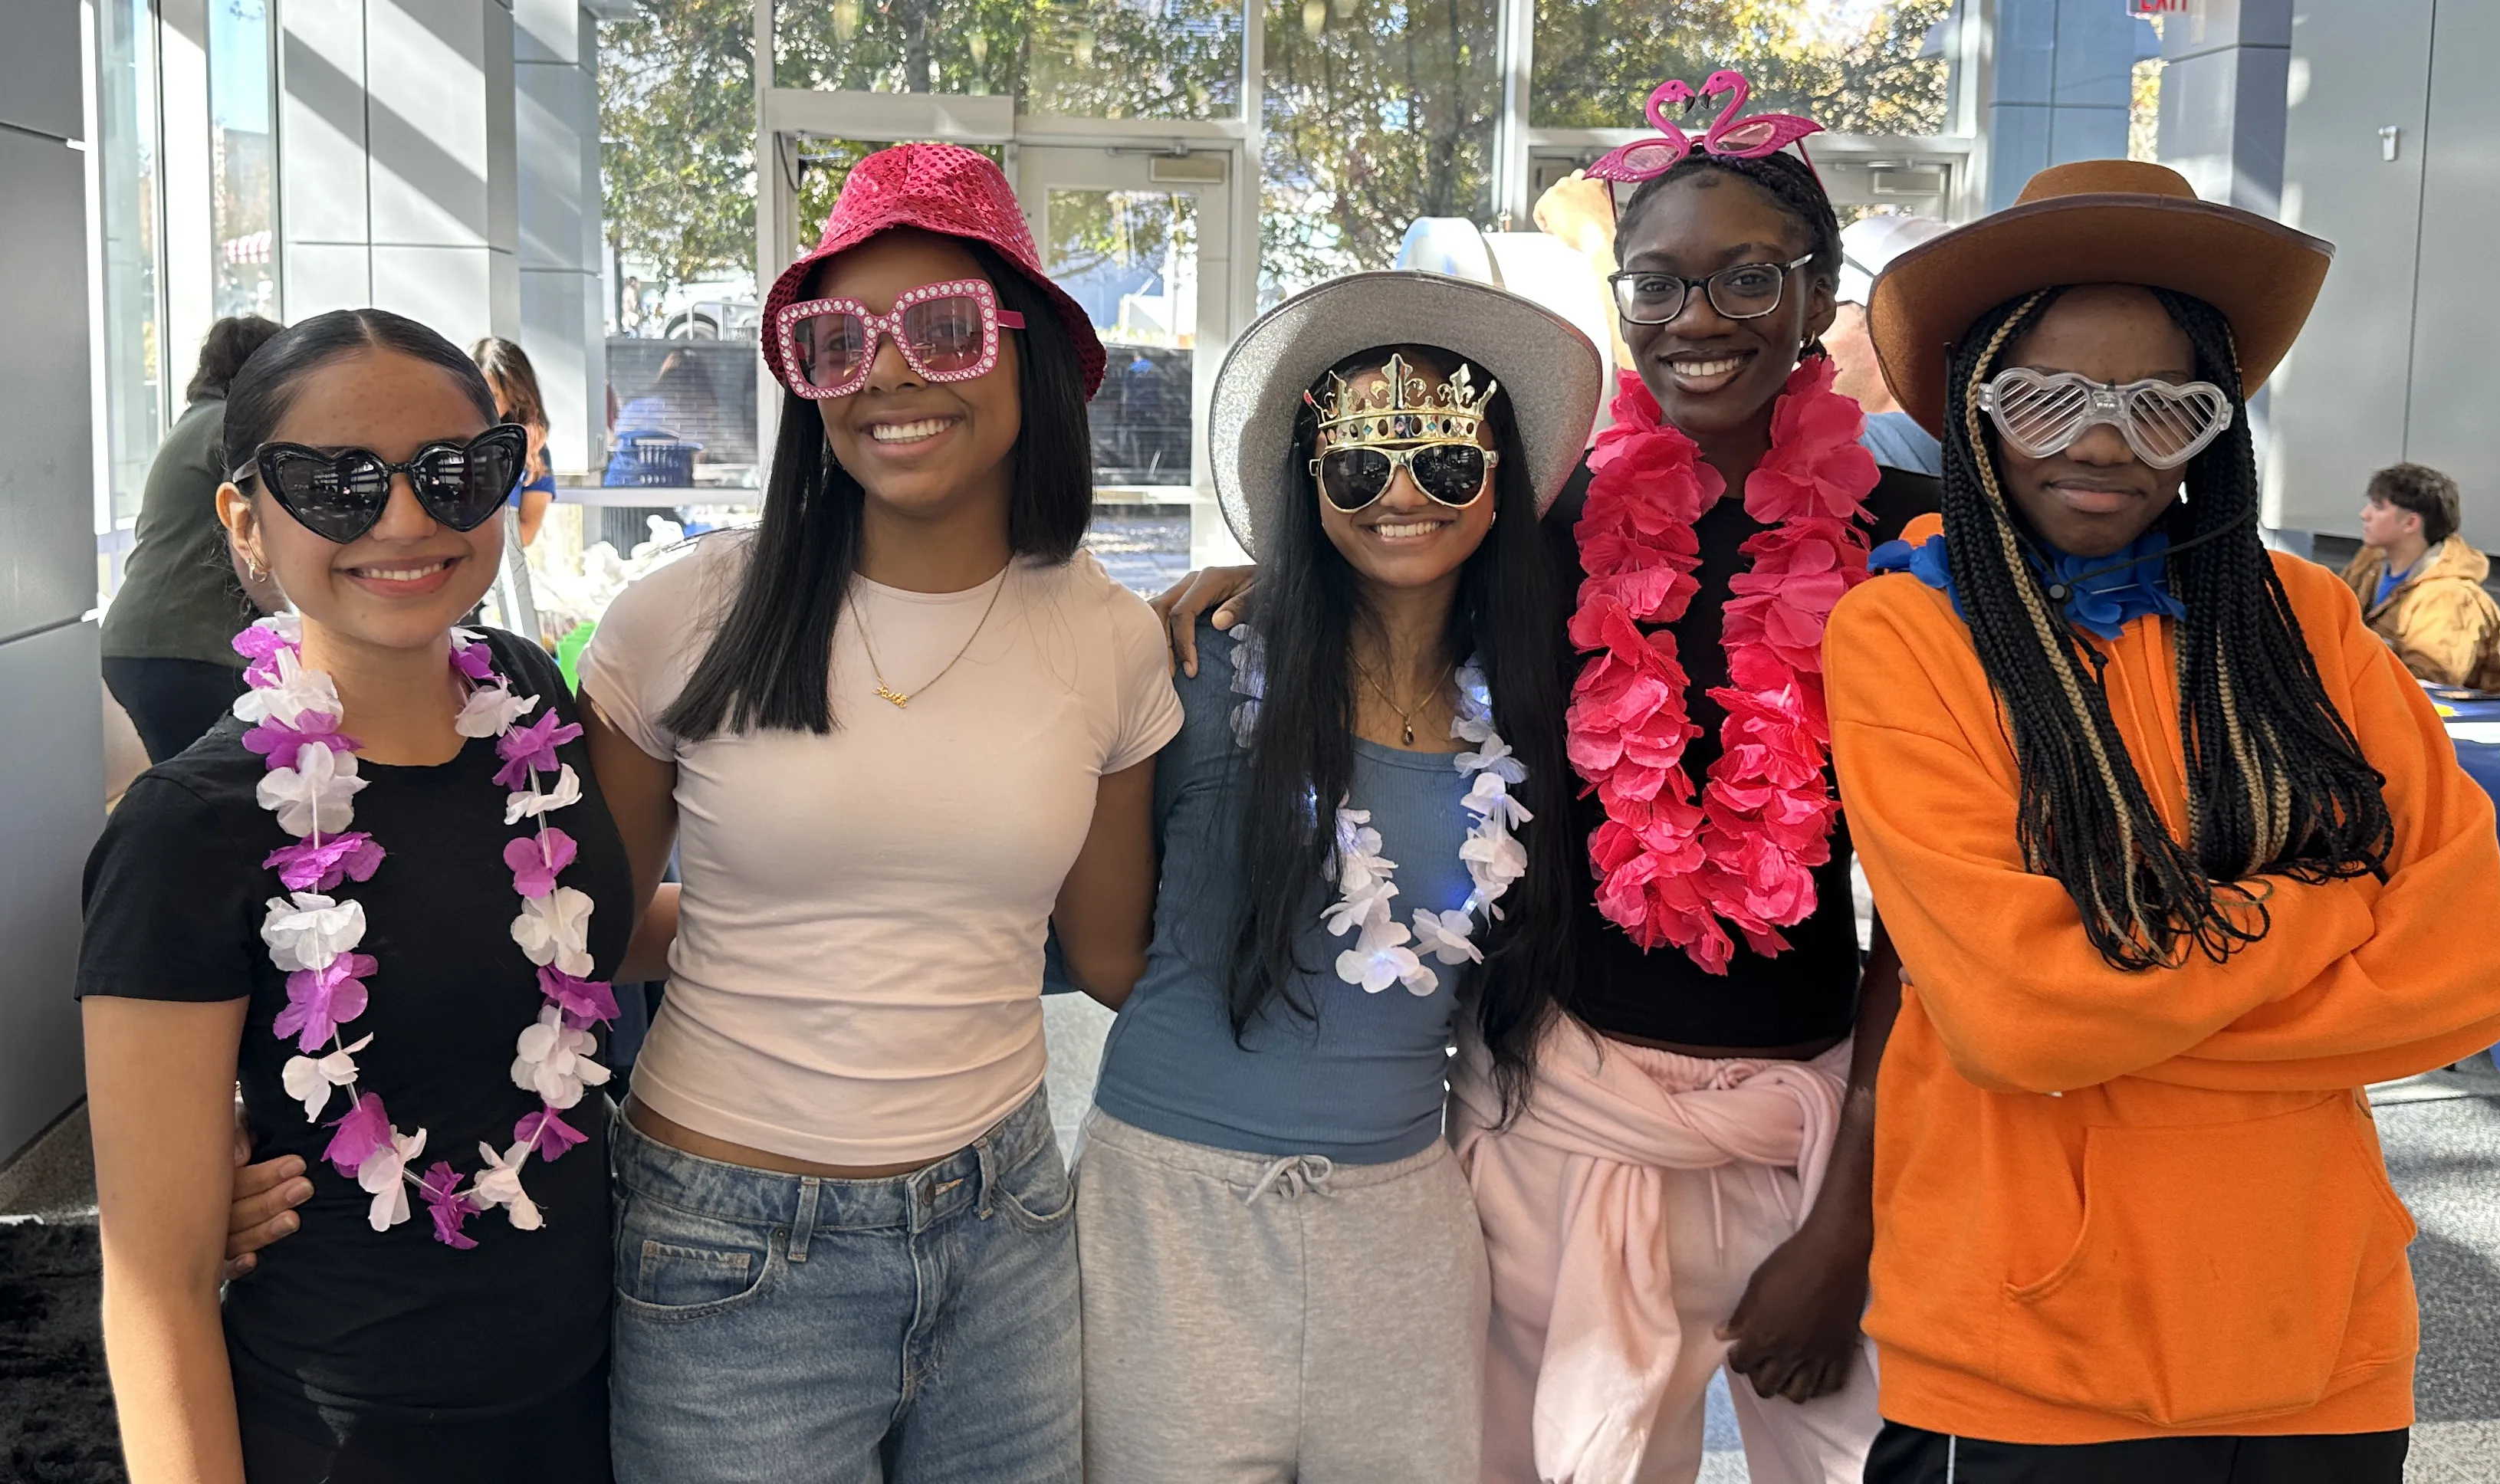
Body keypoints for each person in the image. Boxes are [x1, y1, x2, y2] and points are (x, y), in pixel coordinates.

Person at [1161, 77, 1931, 1484]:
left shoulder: (1902, 540)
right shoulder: (1549, 517)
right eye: (1659, 282)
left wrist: (1851, 1218)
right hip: (1564, 1106)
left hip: (1812, 1117)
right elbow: (1390, 565)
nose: (1697, 318)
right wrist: (1263, 582)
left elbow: (1934, 914)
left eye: (1747, 277)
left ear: (1818, 298)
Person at [1828, 159, 2500, 1481]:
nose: (2102, 442)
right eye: (2046, 399)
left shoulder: (2307, 622)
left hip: (2323, 1335)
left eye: (2162, 407)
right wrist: (2323, 913)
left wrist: (2118, 1018)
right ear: (1976, 411)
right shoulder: (1906, 637)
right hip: (2029, 1351)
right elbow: (2010, 1015)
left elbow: (2469, 969)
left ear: (2215, 427)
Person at [580, 143, 1176, 1482]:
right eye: (836, 341)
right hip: (729, 1240)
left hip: (1006, 1220)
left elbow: (1110, 956)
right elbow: (587, 934)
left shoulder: (1109, 638)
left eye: (944, 329)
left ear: (1025, 355)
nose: (890, 373)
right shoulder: (682, 616)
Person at [80, 307, 655, 1482]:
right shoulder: (187, 833)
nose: (403, 520)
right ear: (244, 518)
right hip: (349, 1430)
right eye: (335, 484)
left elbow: (567, 952)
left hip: (598, 1389)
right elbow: (159, 1285)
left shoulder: (530, 700)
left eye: (454, 475)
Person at [1074, 274, 1597, 1482]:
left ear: (1500, 484)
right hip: (1173, 1217)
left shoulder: (1528, 709)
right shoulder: (1198, 673)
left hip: (1403, 1228)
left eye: (1448, 465)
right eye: (1359, 465)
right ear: (1310, 486)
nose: (1401, 495)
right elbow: (1107, 958)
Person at [100, 315, 286, 762]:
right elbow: (251, 549)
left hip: (142, 646)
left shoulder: (196, 421)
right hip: (185, 653)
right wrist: (293, 624)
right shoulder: (231, 428)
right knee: (210, 801)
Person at [2341, 461, 2500, 691]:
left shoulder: (2450, 597)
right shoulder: (2368, 564)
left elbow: (2426, 686)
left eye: (2378, 507)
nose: (2364, 514)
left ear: (2410, 523)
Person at [1824, 213, 1948, 477]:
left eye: (1826, 312)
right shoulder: (1964, 437)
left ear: (1885, 327)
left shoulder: (1882, 445)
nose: (1808, 332)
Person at [471, 337, 557, 546]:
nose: (482, 405)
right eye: (474, 393)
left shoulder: (533, 452)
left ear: (514, 397)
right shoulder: (445, 441)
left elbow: (526, 535)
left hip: (499, 566)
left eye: (493, 396)